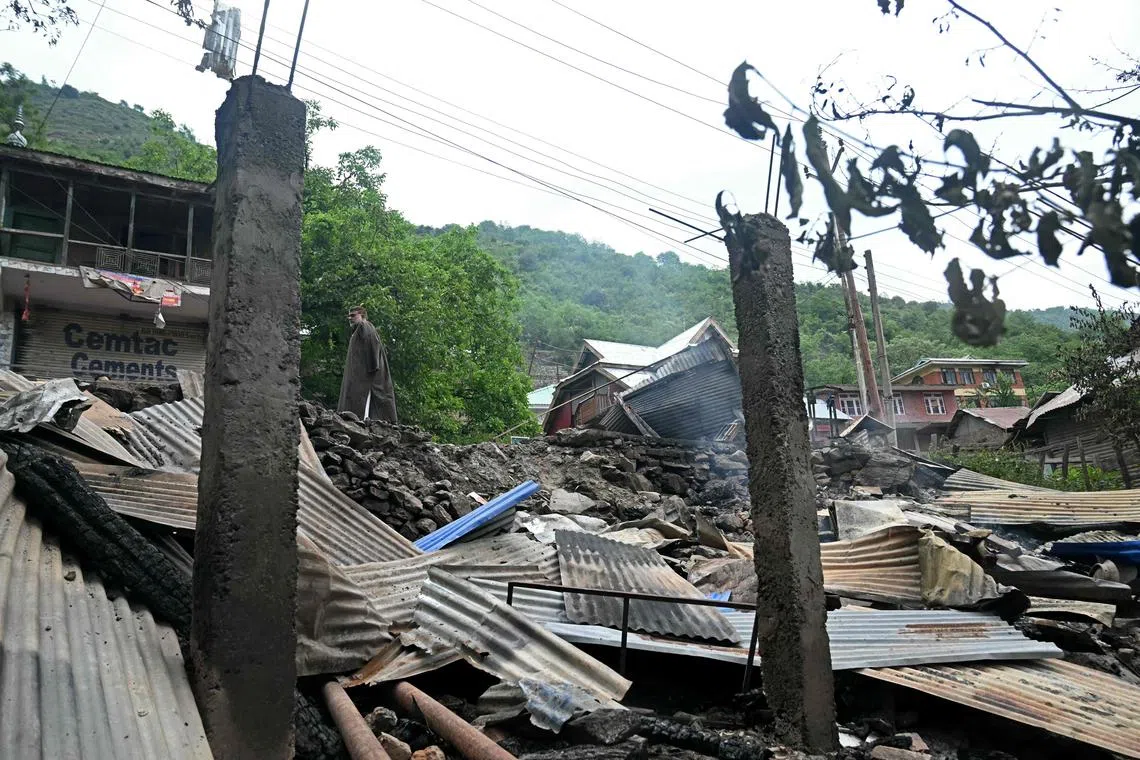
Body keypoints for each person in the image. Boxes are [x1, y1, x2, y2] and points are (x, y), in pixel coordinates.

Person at [337, 306, 398, 423]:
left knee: (363, 400)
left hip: (365, 376)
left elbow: (373, 346)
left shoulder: (364, 326)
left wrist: (372, 368)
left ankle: (362, 423)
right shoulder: (358, 330)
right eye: (349, 316)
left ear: (362, 315)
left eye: (353, 315)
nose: (350, 318)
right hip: (362, 374)